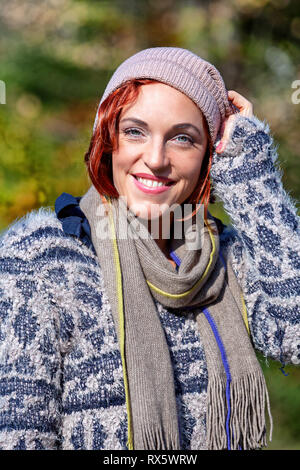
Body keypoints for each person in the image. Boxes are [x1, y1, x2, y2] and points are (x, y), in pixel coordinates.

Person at [0, 47, 299, 451]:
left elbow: (292, 335)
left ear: (208, 156)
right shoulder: (38, 262)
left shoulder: (226, 258)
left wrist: (250, 167)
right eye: (135, 131)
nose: (156, 159)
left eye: (182, 138)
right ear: (107, 139)